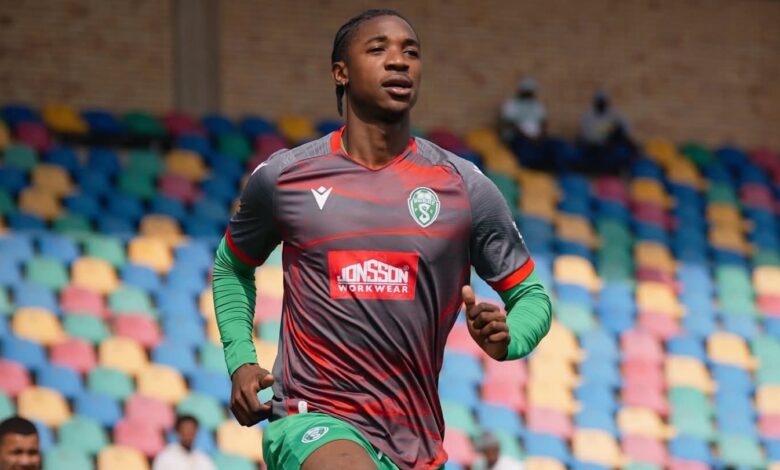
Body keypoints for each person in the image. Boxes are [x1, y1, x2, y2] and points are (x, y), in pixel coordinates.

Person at [213, 8, 551, 470]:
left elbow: (531, 296)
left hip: (415, 442)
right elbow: (232, 267)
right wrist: (241, 359)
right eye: (378, 49)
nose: (399, 61)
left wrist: (510, 336)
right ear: (341, 72)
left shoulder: (464, 188)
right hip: (311, 419)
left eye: (411, 52)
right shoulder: (285, 178)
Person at [580, 90, 636, 172]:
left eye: (603, 101)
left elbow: (625, 128)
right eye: (599, 102)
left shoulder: (613, 115)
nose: (601, 104)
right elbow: (589, 136)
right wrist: (605, 138)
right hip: (595, 147)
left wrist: (614, 135)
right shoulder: (588, 117)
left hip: (612, 145)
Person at [500, 77, 548, 168]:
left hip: (536, 138)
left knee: (553, 145)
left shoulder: (537, 105)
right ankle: (525, 169)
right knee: (524, 146)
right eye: (527, 92)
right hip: (517, 137)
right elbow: (510, 124)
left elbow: (543, 123)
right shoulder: (512, 104)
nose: (529, 94)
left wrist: (540, 136)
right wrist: (527, 136)